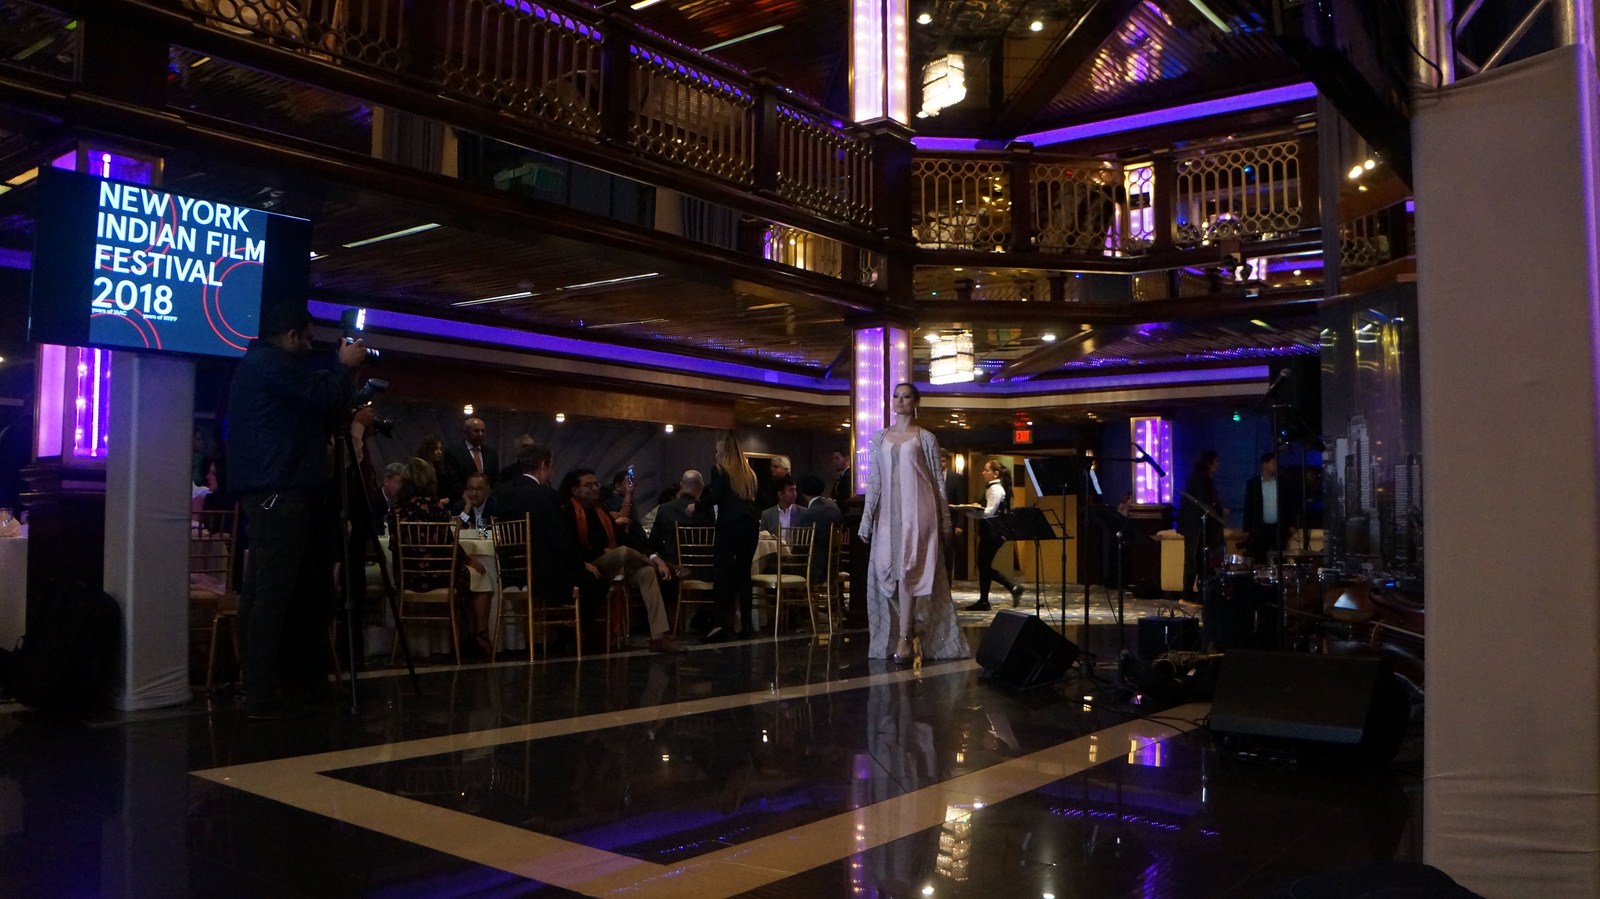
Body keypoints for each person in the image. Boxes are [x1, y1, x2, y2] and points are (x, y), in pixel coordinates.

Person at [226, 305, 367, 719]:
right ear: (290, 334)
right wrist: (343, 368)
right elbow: (319, 399)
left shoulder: (257, 364)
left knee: (260, 593)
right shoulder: (272, 364)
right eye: (306, 338)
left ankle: (256, 684)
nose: (308, 346)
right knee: (271, 595)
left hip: (267, 488)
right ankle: (261, 693)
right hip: (280, 489)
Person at [858, 383, 968, 665]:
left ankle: (905, 637)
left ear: (916, 402)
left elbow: (937, 481)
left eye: (906, 396)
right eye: (896, 396)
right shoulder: (879, 437)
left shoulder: (925, 438)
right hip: (887, 515)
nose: (900, 401)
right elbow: (874, 481)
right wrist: (866, 519)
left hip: (919, 512)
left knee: (908, 571)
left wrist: (945, 521)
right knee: (885, 571)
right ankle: (909, 624)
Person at [561, 468, 681, 653]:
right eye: (588, 485)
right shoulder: (568, 511)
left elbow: (625, 538)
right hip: (589, 564)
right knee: (623, 552)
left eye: (596, 484)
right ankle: (666, 567)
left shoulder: (600, 511)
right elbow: (569, 547)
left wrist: (654, 555)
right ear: (575, 490)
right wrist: (656, 560)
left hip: (611, 561)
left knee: (647, 572)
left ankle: (658, 636)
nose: (594, 488)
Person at [702, 433, 759, 642]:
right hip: (750, 525)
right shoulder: (749, 474)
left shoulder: (720, 470)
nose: (715, 454)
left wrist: (696, 506)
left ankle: (720, 625)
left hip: (729, 525)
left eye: (717, 451)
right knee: (744, 574)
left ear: (723, 452)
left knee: (722, 574)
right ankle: (746, 625)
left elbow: (715, 496)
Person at [962, 459, 1025, 612]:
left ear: (995, 473)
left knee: (983, 565)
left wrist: (969, 511)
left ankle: (1011, 587)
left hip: (992, 533)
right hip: (990, 532)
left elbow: (989, 512)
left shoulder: (995, 489)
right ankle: (985, 600)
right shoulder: (994, 488)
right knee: (984, 565)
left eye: (986, 470)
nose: (983, 473)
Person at [1177, 449, 1225, 603]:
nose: (1218, 465)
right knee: (1193, 560)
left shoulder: (1201, 477)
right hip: (1195, 526)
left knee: (1198, 560)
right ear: (1209, 462)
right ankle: (1187, 595)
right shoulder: (1200, 478)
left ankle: (1198, 595)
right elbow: (1205, 503)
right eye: (1216, 461)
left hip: (1198, 526)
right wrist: (1220, 511)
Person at [1242, 451, 1291, 563]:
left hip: (1278, 528)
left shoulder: (1282, 483)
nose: (1276, 465)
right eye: (1273, 463)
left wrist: (1291, 524)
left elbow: (1288, 504)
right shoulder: (1253, 484)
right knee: (1259, 559)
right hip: (1260, 529)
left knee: (1280, 559)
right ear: (1265, 464)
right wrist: (1246, 529)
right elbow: (1248, 507)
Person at [440, 417, 498, 501]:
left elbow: (495, 478)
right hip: (462, 500)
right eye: (476, 431)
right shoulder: (454, 452)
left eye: (482, 431)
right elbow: (452, 480)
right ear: (466, 432)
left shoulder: (491, 453)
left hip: (487, 501)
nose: (480, 434)